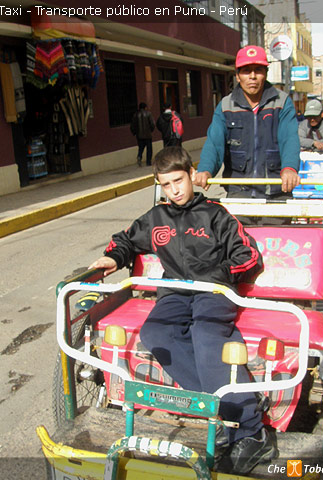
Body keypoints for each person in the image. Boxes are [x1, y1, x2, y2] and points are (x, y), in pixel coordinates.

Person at [89, 147, 276, 475]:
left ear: (191, 175)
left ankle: (252, 431)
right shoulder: (156, 218)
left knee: (206, 335)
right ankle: (223, 407)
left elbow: (248, 255)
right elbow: (126, 240)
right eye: (166, 184)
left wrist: (217, 276)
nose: (174, 189)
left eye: (178, 180)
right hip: (176, 292)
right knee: (156, 334)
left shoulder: (216, 214)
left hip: (213, 290)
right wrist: (113, 258)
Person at [194, 45, 300, 199]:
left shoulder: (282, 102)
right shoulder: (225, 106)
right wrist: (205, 169)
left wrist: (289, 168)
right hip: (238, 192)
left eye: (258, 70)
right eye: (246, 71)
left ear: (265, 74)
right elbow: (214, 143)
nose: (252, 76)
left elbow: (289, 139)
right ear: (237, 76)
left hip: (276, 192)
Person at [130, 102, 155, 166]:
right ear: (145, 107)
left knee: (141, 147)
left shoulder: (136, 114)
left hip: (139, 135)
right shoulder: (148, 114)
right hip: (148, 135)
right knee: (149, 149)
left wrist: (134, 132)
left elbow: (133, 125)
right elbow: (152, 124)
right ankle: (148, 162)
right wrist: (151, 130)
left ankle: (139, 156)